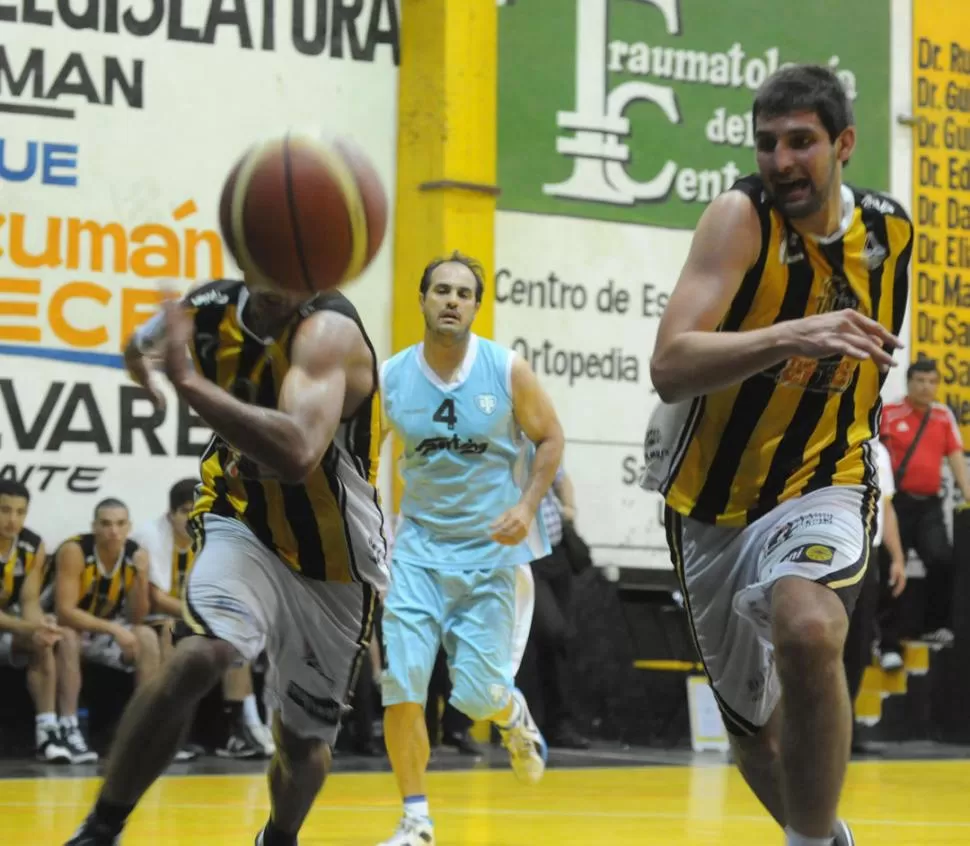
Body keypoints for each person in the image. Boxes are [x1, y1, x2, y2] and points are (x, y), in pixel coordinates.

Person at [647, 65, 912, 846]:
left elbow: (862, 371)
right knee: (752, 738)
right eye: (767, 144)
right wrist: (794, 334)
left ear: (844, 144)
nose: (782, 160)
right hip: (711, 502)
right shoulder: (739, 219)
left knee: (807, 627)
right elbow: (668, 366)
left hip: (825, 473)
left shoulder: (890, 234)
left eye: (802, 142)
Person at [65, 275, 389, 846]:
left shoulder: (330, 332)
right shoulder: (209, 307)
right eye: (264, 258)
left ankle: (278, 838)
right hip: (241, 522)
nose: (275, 277)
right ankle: (100, 828)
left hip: (333, 559)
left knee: (301, 744)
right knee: (199, 655)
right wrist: (140, 363)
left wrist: (184, 381)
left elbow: (295, 453)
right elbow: (141, 340)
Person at [378, 251, 564, 846]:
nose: (452, 300)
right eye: (441, 290)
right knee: (404, 684)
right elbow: (359, 458)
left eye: (463, 292)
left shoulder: (506, 369)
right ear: (423, 300)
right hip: (417, 552)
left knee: (479, 697)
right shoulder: (391, 377)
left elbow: (551, 438)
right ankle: (416, 819)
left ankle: (511, 715)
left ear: (476, 306)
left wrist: (528, 504)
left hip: (490, 553)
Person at [133, 477, 273, 761]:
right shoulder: (151, 535)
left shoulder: (214, 534)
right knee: (173, 632)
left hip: (193, 615)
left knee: (237, 634)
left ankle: (242, 728)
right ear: (171, 514)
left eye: (198, 510)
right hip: (150, 616)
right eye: (185, 511)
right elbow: (156, 598)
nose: (192, 517)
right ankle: (165, 731)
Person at [55, 498, 160, 764]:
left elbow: (138, 615)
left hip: (101, 632)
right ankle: (69, 728)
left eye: (120, 524)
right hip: (65, 627)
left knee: (146, 636)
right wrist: (113, 629)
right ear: (94, 526)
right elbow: (65, 612)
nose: (113, 531)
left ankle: (143, 729)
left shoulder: (135, 553)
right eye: (106, 524)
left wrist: (141, 575)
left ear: (129, 527)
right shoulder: (75, 550)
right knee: (68, 637)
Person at [880, 358, 970, 649]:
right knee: (894, 567)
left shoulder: (943, 417)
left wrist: (968, 493)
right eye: (920, 380)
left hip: (930, 505)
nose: (926, 386)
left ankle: (934, 627)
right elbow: (877, 459)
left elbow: (957, 460)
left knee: (942, 559)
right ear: (908, 382)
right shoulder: (890, 413)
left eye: (932, 381)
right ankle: (888, 642)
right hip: (897, 505)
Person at [0, 480, 72, 763]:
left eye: (20, 512)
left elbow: (29, 601)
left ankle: (48, 730)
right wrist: (32, 627)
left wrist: (40, 628)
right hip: (8, 624)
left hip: (9, 624)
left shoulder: (32, 545)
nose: (12, 519)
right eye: (4, 510)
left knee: (42, 644)